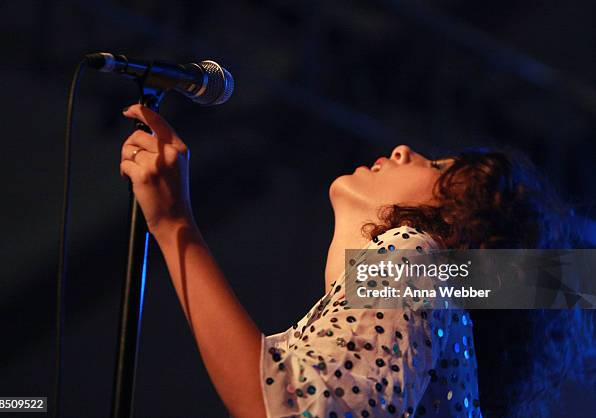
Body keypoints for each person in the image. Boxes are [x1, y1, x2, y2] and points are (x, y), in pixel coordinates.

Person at [119, 104, 593, 418]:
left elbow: (286, 407)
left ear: (461, 227)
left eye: (441, 170)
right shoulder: (406, 289)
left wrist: (175, 223)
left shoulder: (414, 259)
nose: (404, 150)